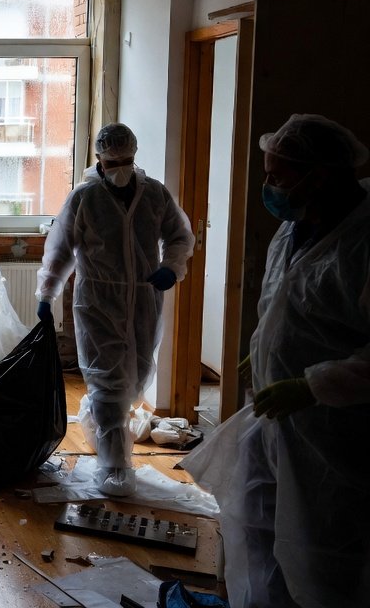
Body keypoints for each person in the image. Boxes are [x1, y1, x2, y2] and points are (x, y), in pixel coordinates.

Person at [219, 114, 370, 607]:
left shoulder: (362, 243)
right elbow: (284, 304)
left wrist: (312, 386)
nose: (268, 188)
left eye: (277, 176)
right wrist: (264, 347)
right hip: (273, 417)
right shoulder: (292, 228)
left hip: (331, 436)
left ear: (318, 175)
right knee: (257, 527)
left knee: (320, 557)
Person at [35, 122, 194, 496]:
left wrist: (172, 266)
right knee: (107, 382)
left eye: (125, 161)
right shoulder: (85, 198)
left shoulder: (154, 194)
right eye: (112, 162)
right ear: (99, 159)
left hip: (144, 300)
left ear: (134, 157)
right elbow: (60, 250)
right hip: (98, 301)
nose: (119, 168)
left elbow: (179, 235)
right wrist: (47, 294)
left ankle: (100, 419)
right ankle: (115, 466)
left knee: (135, 377)